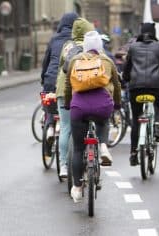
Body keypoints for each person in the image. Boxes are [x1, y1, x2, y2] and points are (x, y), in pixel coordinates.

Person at [64, 30, 121, 202]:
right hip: (101, 106)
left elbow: (68, 85)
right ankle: (103, 145)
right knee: (103, 122)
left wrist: (68, 104)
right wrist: (116, 104)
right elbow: (117, 85)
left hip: (79, 107)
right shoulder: (107, 60)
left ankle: (77, 187)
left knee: (79, 149)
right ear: (100, 46)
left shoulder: (75, 60)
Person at [123, 22, 159, 166]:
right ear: (153, 33)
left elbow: (127, 68)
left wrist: (126, 79)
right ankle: (157, 123)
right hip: (155, 86)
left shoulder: (133, 47)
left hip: (136, 87)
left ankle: (133, 153)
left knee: (136, 121)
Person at [55, 17, 95, 177]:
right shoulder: (90, 46)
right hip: (83, 91)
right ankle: (88, 157)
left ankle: (63, 166)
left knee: (65, 127)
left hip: (63, 90)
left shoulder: (67, 46)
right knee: (88, 124)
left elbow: (60, 67)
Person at [40, 12, 78, 177]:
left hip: (50, 80)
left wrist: (44, 78)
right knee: (67, 124)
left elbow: (46, 61)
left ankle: (49, 126)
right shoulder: (76, 40)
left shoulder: (54, 39)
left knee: (50, 105)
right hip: (69, 82)